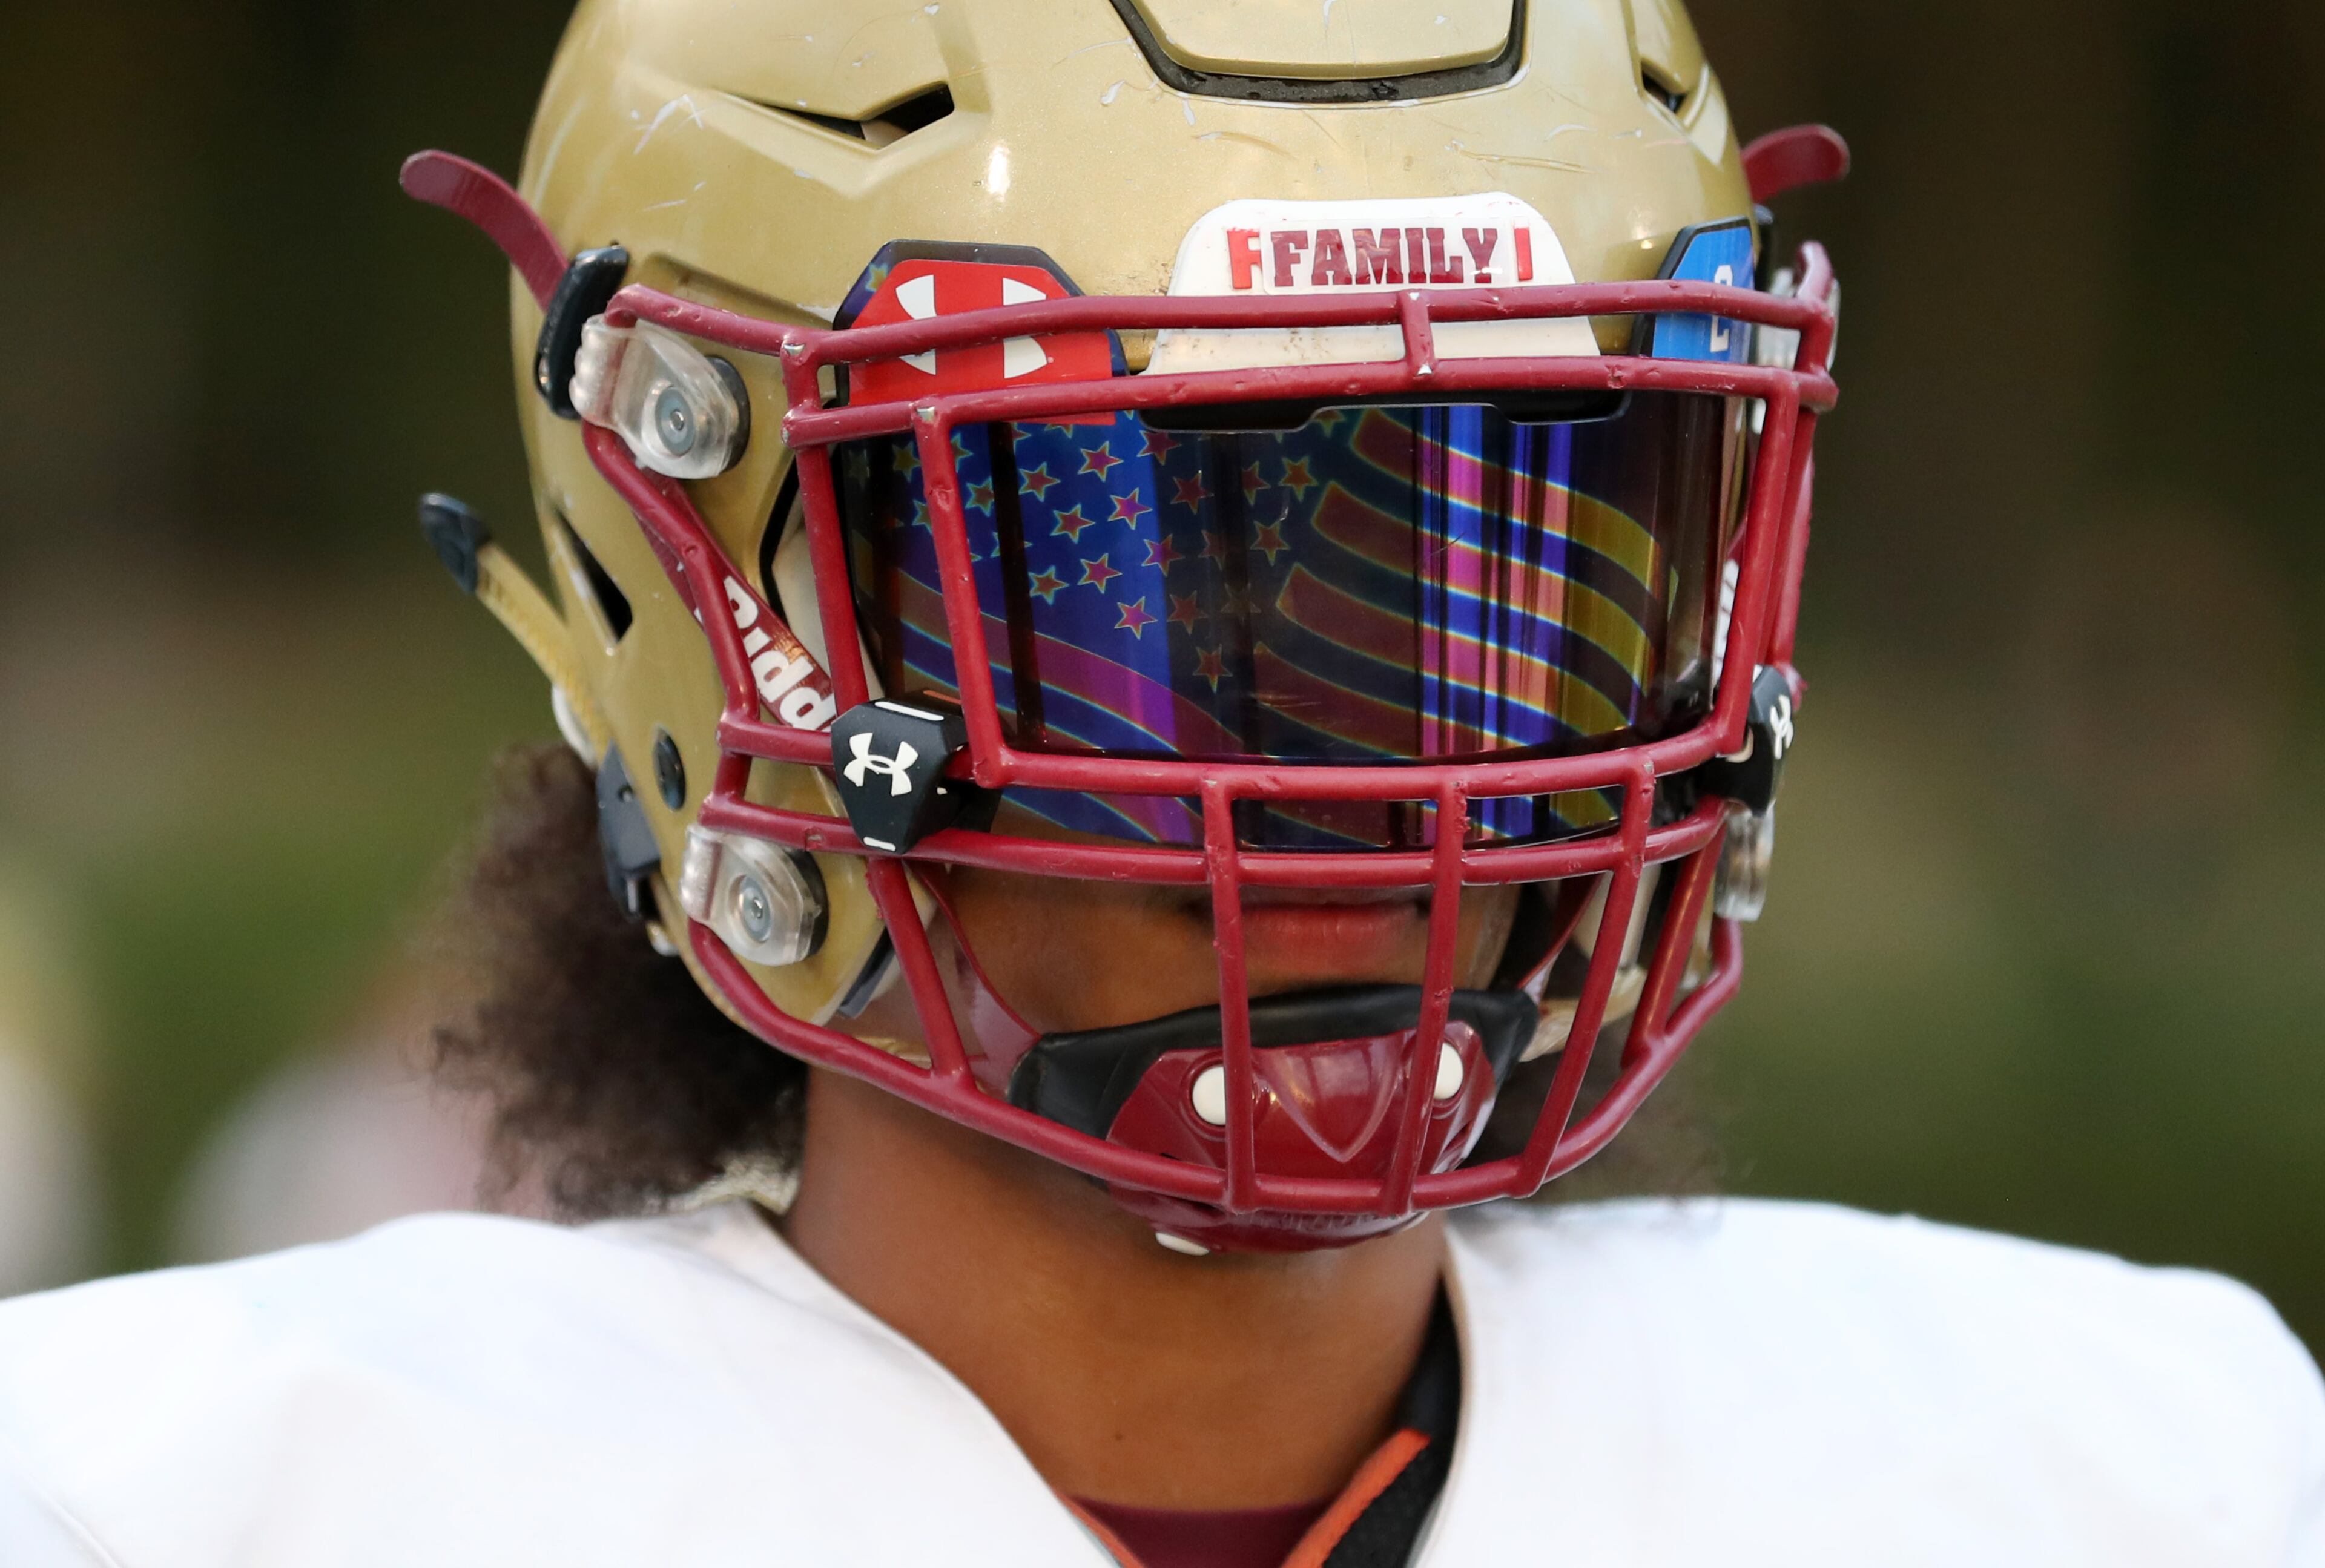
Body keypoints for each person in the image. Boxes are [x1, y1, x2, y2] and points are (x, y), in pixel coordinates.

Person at [3, 2, 2320, 1563]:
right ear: (704, 566)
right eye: (1137, 581)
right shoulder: (178, 1503)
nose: (1367, 793)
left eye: (1497, 566)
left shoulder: (2137, 1470)